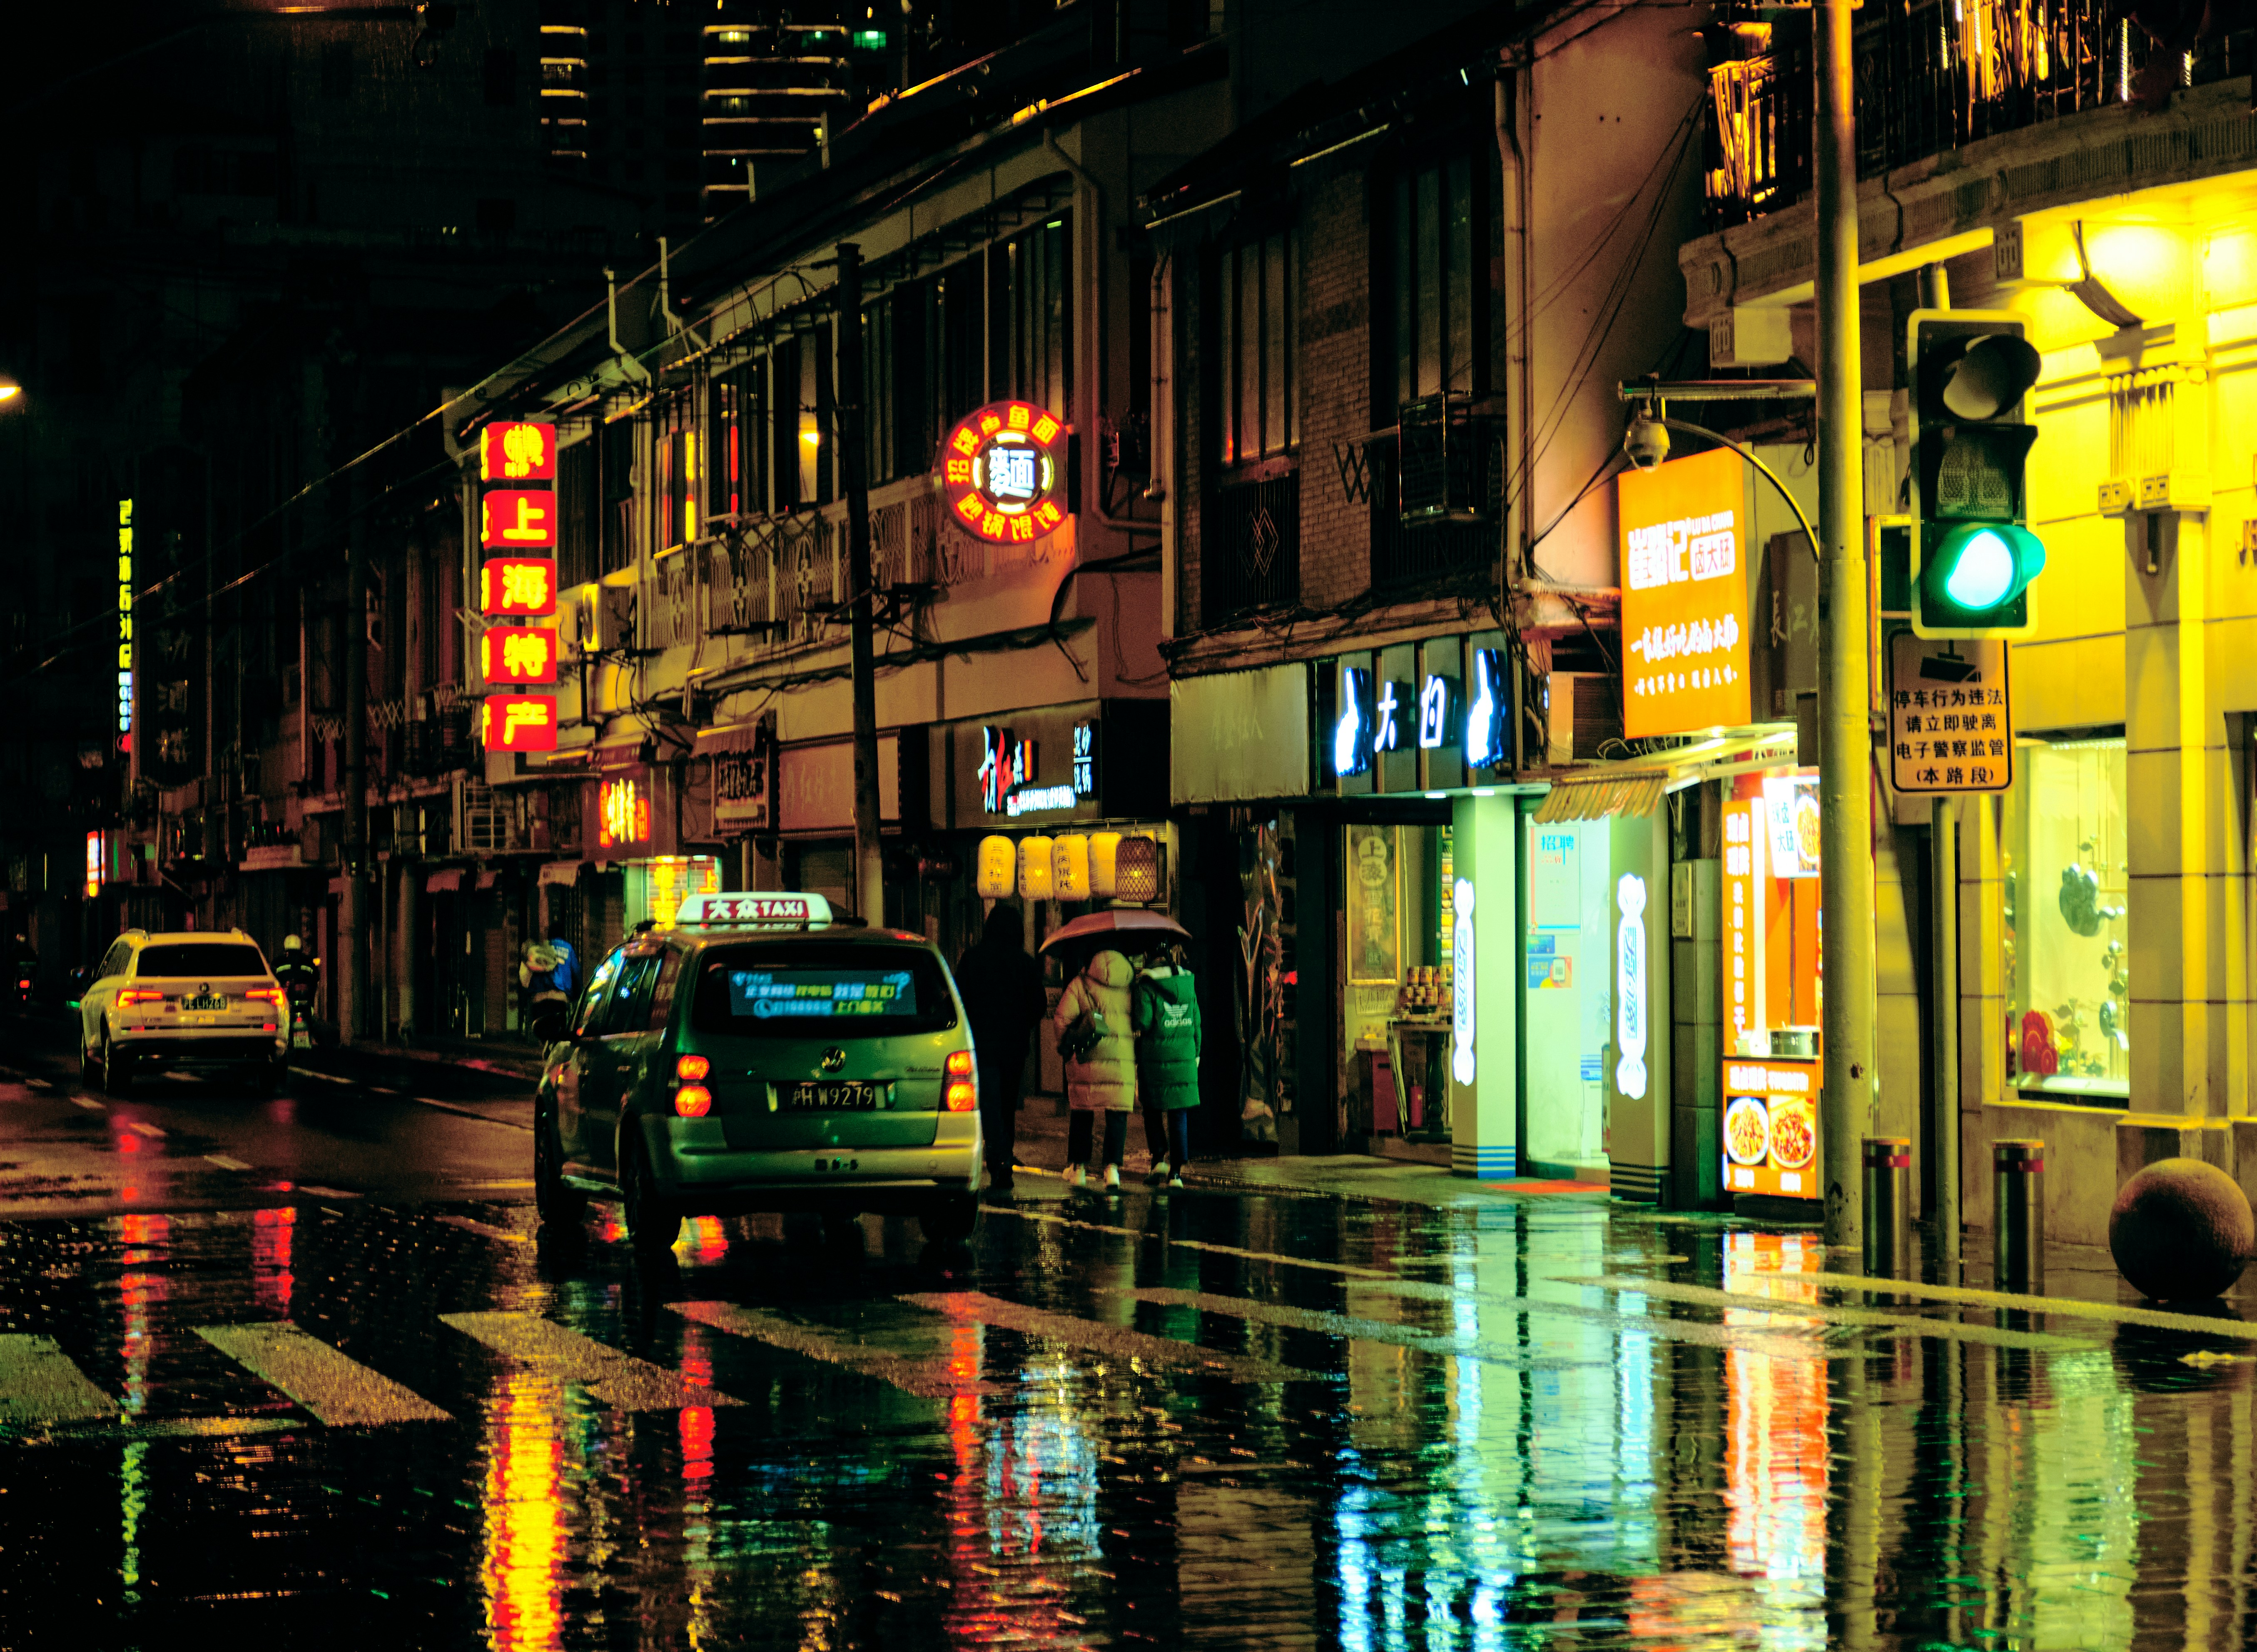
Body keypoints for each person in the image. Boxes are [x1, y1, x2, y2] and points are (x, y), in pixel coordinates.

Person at [952, 903, 1045, 1192]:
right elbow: (1039, 1005)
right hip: (1014, 1047)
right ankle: (1003, 1157)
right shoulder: (1025, 963)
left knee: (989, 1102)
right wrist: (1022, 1024)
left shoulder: (972, 959)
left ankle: (1000, 1158)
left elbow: (958, 1000)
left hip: (982, 1044)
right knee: (1007, 1104)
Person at [1053, 947, 1135, 1190]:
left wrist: (1064, 1047)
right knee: (1117, 1113)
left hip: (1087, 1056)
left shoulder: (1080, 984)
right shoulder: (1130, 984)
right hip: (1122, 1059)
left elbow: (1061, 1020)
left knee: (1082, 1111)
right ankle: (1112, 1170)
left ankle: (1079, 1168)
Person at [1131, 944, 1201, 1188]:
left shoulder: (1146, 986)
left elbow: (1144, 1021)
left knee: (1151, 1108)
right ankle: (1176, 1173)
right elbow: (1197, 1024)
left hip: (1156, 1060)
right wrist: (1196, 1055)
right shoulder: (1187, 984)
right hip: (1185, 1059)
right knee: (1178, 1113)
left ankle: (1159, 1157)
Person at [273, 935, 319, 1045]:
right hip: (306, 1002)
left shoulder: (278, 962)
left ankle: (286, 1038)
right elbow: (316, 979)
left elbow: (274, 980)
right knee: (311, 1016)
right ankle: (311, 1037)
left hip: (288, 1002)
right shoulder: (309, 962)